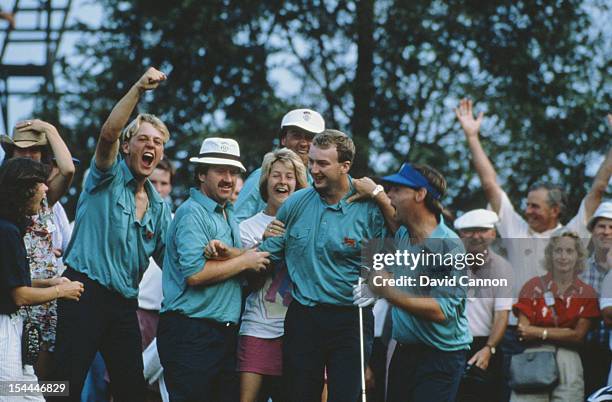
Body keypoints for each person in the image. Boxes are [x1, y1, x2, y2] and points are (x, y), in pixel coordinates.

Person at [456, 99, 612, 397]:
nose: (528, 210)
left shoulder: (572, 234)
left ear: (555, 210)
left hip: (566, 339)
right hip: (518, 336)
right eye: (526, 205)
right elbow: (490, 185)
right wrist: (472, 137)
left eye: (535, 206)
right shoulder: (515, 230)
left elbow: (598, 188)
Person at [51, 67, 173, 402]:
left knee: (131, 388)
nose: (151, 146)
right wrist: (137, 88)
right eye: (144, 139)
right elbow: (108, 133)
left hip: (123, 304)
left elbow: (174, 263)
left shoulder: (160, 209)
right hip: (81, 291)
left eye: (158, 143)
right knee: (63, 384)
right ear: (126, 147)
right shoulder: (105, 176)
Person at [256, 129, 386, 402]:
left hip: (351, 317)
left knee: (346, 396)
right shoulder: (295, 204)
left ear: (345, 166)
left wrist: (376, 284)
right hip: (305, 316)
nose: (313, 169)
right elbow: (268, 257)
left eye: (322, 163)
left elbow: (386, 259)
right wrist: (247, 249)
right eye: (312, 161)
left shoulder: (369, 208)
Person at [157, 137, 270, 402]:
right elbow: (195, 275)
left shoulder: (226, 212)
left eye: (233, 172)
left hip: (222, 333)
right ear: (201, 174)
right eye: (220, 170)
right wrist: (244, 261)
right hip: (191, 331)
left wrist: (236, 256)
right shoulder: (192, 212)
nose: (228, 178)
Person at [368, 162, 472, 402]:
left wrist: (388, 291)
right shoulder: (404, 234)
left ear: (420, 194)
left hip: (440, 357)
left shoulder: (447, 245)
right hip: (404, 353)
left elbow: (439, 310)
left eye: (396, 189)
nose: (389, 194)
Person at [0, 158, 83, 401]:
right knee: (10, 394)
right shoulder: (6, 232)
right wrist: (61, 292)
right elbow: (19, 294)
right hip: (4, 330)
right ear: (23, 189)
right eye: (40, 183)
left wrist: (49, 283)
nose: (46, 188)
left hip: (12, 328)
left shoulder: (9, 228)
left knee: (33, 394)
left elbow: (10, 281)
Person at [235, 148, 308, 402]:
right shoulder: (246, 228)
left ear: (299, 184)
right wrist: (265, 247)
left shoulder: (309, 225)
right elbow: (249, 284)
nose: (283, 182)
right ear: (266, 181)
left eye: (290, 177)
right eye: (276, 175)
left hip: (300, 331)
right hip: (258, 326)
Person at [512, 231, 600, 401]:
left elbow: (578, 336)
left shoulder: (587, 293)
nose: (563, 256)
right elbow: (523, 331)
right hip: (534, 357)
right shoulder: (533, 286)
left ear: (578, 256)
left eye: (569, 251)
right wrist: (565, 332)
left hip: (570, 360)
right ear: (550, 254)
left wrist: (540, 332)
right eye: (558, 251)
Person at [454, 209, 513, 402]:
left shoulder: (502, 268)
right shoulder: (448, 264)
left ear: (493, 233)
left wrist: (489, 348)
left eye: (482, 230)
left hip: (485, 346)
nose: (476, 236)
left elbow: (501, 314)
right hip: (450, 344)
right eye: (469, 231)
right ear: (460, 234)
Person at [234, 108, 324, 223]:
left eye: (310, 137)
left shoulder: (316, 180)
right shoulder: (262, 176)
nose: (303, 143)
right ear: (283, 139)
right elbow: (237, 225)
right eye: (296, 136)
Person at [580, 201, 612, 394]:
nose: (606, 232)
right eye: (601, 226)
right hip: (586, 349)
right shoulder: (580, 269)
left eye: (611, 227)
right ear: (592, 231)